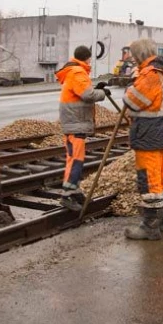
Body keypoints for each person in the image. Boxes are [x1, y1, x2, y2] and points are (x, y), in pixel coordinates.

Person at [122, 38, 163, 240]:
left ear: (139, 56)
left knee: (150, 180)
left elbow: (133, 101)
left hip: (149, 134)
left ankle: (150, 226)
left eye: (134, 56)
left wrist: (130, 88)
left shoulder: (151, 75)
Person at [55, 45, 109, 211]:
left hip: (74, 122)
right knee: (75, 160)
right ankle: (67, 195)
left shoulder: (74, 72)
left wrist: (97, 89)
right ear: (87, 58)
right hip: (75, 123)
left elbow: (84, 91)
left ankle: (75, 189)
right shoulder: (78, 72)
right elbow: (87, 95)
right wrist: (103, 93)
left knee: (75, 159)